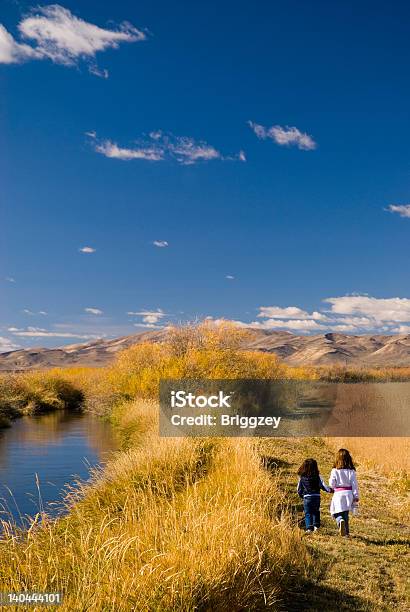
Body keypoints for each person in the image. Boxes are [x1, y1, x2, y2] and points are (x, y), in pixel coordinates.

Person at [329, 448, 359, 538]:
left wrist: (332, 487)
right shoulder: (351, 472)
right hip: (348, 494)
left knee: (335, 512)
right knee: (345, 514)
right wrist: (356, 496)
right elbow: (354, 484)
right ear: (349, 459)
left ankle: (339, 520)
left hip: (338, 494)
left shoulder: (335, 471)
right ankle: (346, 533)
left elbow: (332, 483)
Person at [297, 458, 332, 533]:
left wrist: (301, 495)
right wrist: (329, 490)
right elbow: (323, 485)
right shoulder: (318, 476)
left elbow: (299, 489)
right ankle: (316, 526)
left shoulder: (302, 477)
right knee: (316, 511)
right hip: (316, 497)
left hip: (307, 497)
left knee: (308, 513)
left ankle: (309, 528)